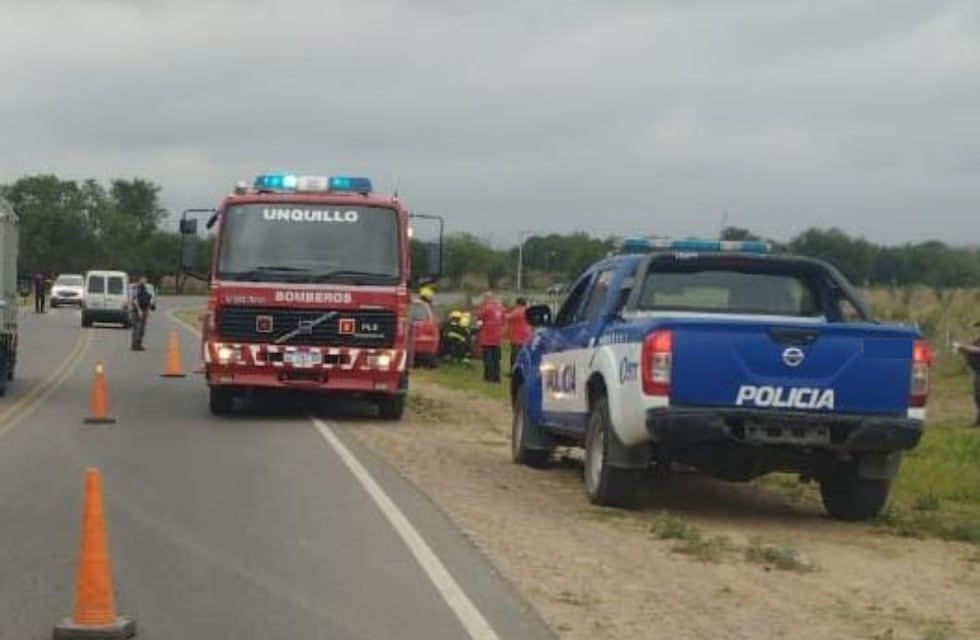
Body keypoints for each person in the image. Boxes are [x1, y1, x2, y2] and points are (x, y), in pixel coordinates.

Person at [954, 325, 980, 426]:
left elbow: (977, 350)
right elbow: (971, 351)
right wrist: (961, 350)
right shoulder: (977, 340)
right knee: (978, 396)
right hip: (977, 371)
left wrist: (962, 346)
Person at [477, 291, 504, 383]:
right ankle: (496, 377)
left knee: (488, 358)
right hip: (497, 337)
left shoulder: (485, 308)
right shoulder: (499, 308)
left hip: (487, 337)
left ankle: (488, 377)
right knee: (496, 359)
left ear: (486, 298)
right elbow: (503, 321)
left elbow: (479, 321)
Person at [505, 297, 531, 373]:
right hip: (527, 334)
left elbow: (507, 317)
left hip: (518, 336)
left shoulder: (518, 311)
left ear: (517, 303)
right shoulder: (528, 311)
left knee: (515, 355)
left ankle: (514, 371)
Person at [130, 277, 153, 351]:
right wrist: (139, 310)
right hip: (137, 311)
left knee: (142, 329)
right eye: (143, 280)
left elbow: (148, 300)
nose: (144, 281)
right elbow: (135, 300)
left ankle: (139, 344)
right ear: (139, 280)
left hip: (144, 310)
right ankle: (135, 345)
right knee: (137, 328)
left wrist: (147, 310)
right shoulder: (136, 288)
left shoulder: (145, 289)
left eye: (145, 280)